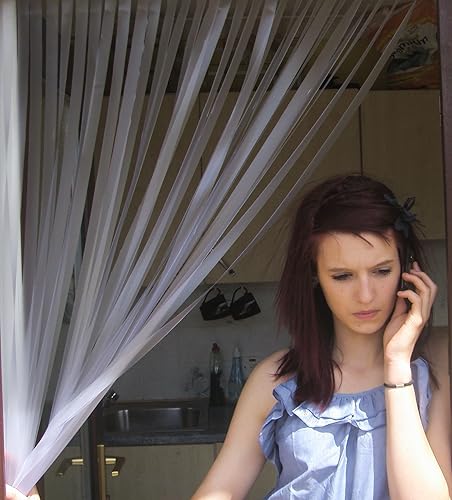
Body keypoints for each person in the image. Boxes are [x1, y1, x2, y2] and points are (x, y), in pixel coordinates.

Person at [192, 174, 451, 499]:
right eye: (342, 276)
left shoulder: (433, 371)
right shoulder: (275, 380)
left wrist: (396, 364)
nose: (366, 295)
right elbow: (218, 491)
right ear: (315, 275)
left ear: (407, 270)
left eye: (382, 271)